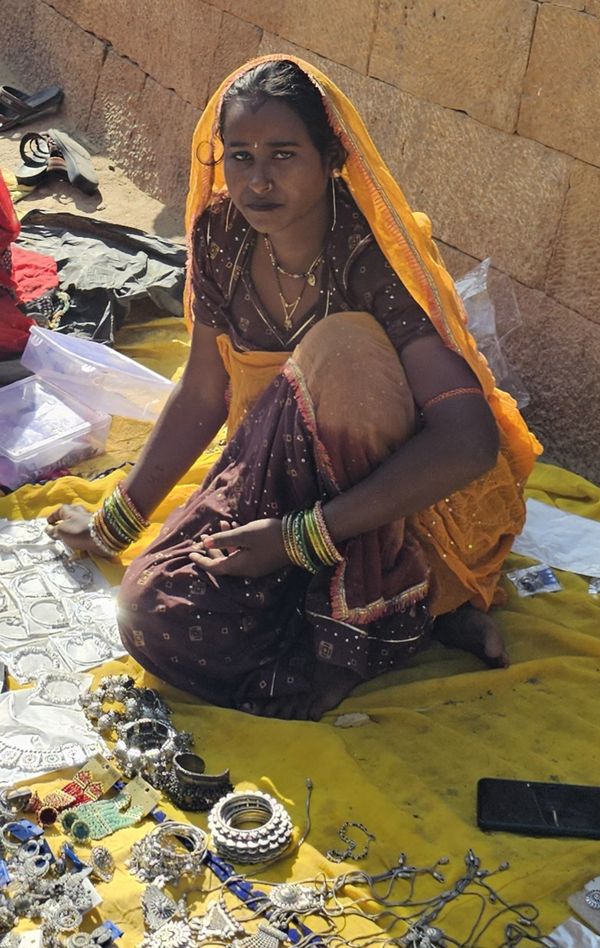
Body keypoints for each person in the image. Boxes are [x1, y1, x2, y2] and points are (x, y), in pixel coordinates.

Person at [47, 56, 541, 721]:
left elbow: (468, 440)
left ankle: (398, 608)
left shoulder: (367, 254)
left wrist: (295, 540)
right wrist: (113, 524)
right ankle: (400, 627)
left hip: (395, 506)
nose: (258, 180)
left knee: (342, 350)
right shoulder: (221, 236)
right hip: (268, 477)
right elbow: (202, 393)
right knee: (148, 611)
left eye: (284, 154)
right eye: (241, 156)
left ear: (331, 156)